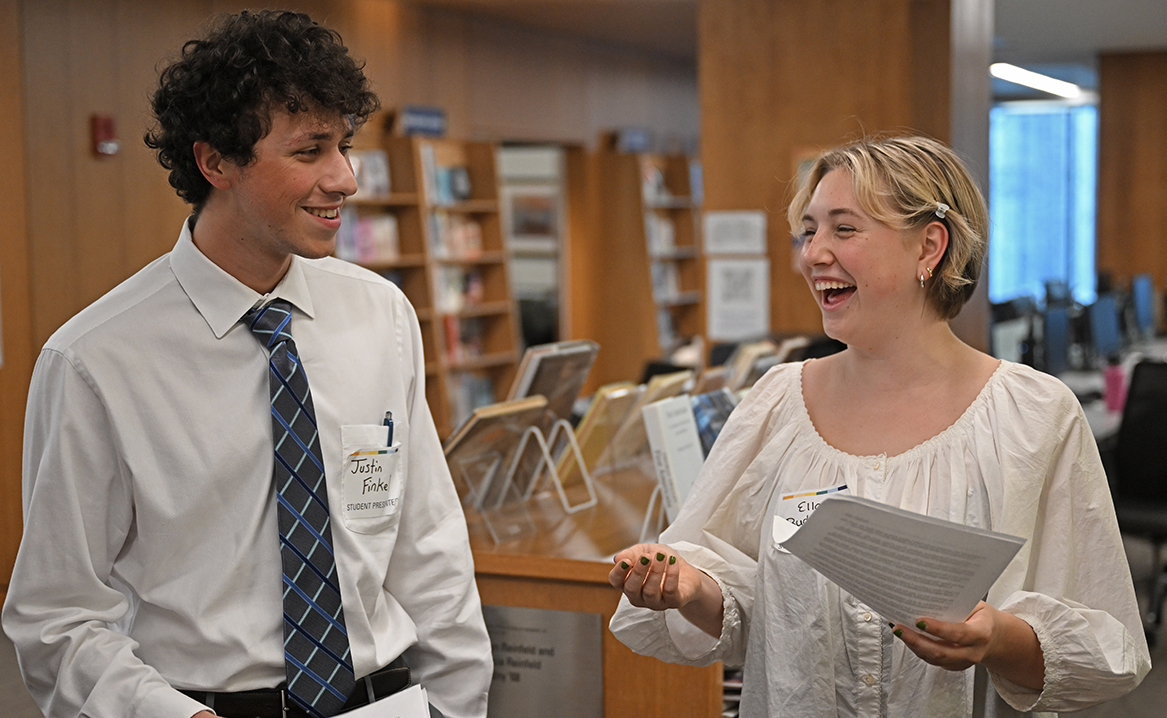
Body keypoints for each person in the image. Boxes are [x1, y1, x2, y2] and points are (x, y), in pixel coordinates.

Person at [2, 10, 491, 718]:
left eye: (345, 146)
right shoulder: (93, 360)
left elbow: (427, 545)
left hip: (386, 699)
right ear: (215, 162)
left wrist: (457, 705)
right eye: (310, 151)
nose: (345, 178)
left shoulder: (379, 315)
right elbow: (56, 618)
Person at [608, 135, 1151, 717]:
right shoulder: (776, 407)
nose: (812, 255)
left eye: (844, 229)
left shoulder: (1034, 417)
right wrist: (690, 588)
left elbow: (1103, 650)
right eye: (809, 231)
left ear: (930, 247)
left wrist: (994, 639)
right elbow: (754, 609)